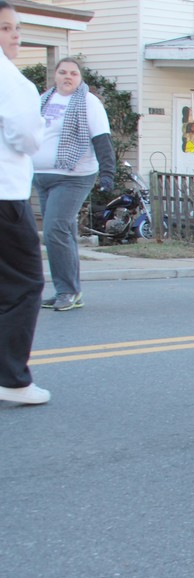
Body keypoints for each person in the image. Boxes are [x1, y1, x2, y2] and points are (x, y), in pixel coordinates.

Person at [33, 57, 115, 312]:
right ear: (55, 75)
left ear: (80, 79)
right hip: (42, 176)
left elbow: (102, 139)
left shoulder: (88, 103)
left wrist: (108, 174)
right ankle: (68, 291)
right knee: (63, 233)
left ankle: (67, 290)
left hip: (73, 177)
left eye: (74, 74)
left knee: (54, 230)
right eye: (63, 72)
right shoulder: (44, 100)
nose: (68, 77)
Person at [0, 0, 48, 405]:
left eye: (16, 27)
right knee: (24, 283)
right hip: (5, 194)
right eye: (5, 28)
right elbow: (27, 139)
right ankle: (12, 379)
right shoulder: (13, 83)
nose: (14, 35)